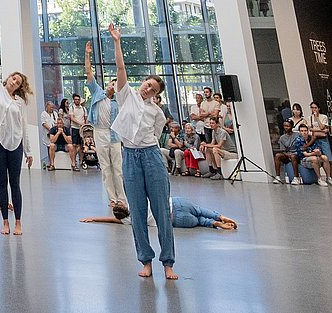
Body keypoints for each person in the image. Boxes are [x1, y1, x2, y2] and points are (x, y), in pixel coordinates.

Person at [107, 23, 176, 281]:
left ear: (156, 95)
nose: (148, 89)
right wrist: (117, 42)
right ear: (143, 83)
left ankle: (168, 262)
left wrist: (149, 150)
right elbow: (121, 69)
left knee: (161, 211)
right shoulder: (127, 96)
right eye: (147, 84)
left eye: (154, 89)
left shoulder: (157, 112)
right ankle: (145, 260)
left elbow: (156, 135)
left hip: (150, 157)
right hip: (130, 158)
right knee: (136, 212)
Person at [0, 27, 32, 233]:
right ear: (8, 78)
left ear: (20, 87)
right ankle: (5, 221)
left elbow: (24, 127)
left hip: (15, 144)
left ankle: (18, 222)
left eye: (18, 82)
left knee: (15, 183)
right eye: (13, 78)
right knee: (1, 182)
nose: (14, 81)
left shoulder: (19, 102)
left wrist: (29, 151)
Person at [83, 40, 126, 212]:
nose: (113, 87)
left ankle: (122, 198)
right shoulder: (97, 93)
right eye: (112, 83)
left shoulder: (118, 101)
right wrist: (87, 55)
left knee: (118, 166)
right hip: (99, 132)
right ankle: (112, 198)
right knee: (106, 167)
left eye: (116, 85)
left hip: (114, 134)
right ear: (108, 85)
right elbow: (88, 72)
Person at [80, 197, 237, 231]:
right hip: (174, 203)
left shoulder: (129, 220)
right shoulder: (135, 202)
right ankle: (219, 216)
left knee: (200, 220)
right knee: (200, 209)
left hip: (175, 219)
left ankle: (214, 224)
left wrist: (93, 218)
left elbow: (110, 220)